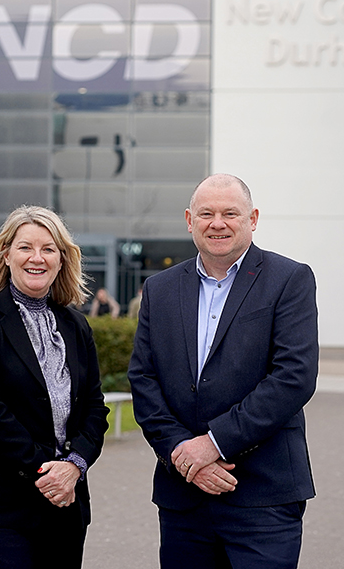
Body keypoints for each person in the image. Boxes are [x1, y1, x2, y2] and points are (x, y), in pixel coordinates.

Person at [128, 174, 319, 569]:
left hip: (262, 496)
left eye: (230, 213)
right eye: (206, 214)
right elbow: (144, 380)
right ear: (188, 220)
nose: (218, 223)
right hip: (184, 497)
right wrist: (182, 452)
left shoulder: (289, 280)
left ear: (253, 218)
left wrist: (213, 444)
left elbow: (293, 378)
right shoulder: (160, 289)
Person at [0, 206, 109, 569]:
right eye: (25, 248)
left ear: (61, 259)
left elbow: (95, 408)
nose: (36, 258)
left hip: (64, 507)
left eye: (48, 249)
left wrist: (75, 465)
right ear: (6, 254)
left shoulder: (76, 326)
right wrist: (48, 469)